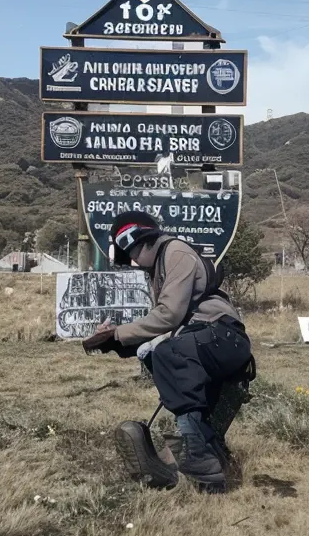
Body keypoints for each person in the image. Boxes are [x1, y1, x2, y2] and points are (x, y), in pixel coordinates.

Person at [83, 210, 254, 494]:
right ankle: (203, 460)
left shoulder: (175, 252)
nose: (133, 259)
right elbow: (167, 324)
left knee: (167, 354)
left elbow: (169, 316)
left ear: (143, 239)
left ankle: (199, 458)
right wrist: (116, 341)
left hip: (223, 338)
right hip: (209, 342)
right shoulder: (161, 265)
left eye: (132, 251)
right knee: (159, 354)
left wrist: (118, 334)